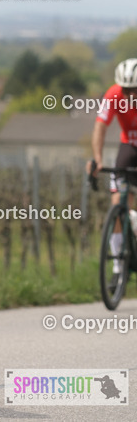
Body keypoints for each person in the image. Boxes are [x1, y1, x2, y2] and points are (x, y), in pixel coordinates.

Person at [90, 58, 137, 289]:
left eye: (135, 91)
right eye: (126, 90)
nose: (130, 96)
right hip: (129, 145)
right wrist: (97, 160)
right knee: (118, 203)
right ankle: (119, 269)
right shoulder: (113, 95)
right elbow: (100, 126)